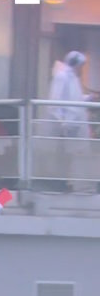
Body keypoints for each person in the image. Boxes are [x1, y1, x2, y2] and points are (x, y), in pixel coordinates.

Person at [46, 51, 93, 193]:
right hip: (64, 125)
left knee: (70, 155)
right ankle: (58, 182)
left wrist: (87, 98)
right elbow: (55, 101)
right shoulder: (62, 77)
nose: (81, 69)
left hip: (73, 124)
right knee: (62, 154)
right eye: (81, 66)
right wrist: (62, 121)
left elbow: (73, 99)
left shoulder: (72, 77)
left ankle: (66, 181)